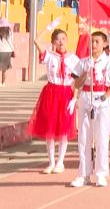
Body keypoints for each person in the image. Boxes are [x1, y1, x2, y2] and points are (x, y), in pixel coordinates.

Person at [70, 31, 110, 187]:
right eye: (91, 41)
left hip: (102, 101)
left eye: (97, 41)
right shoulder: (83, 62)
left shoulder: (109, 62)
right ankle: (83, 174)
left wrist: (104, 97)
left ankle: (100, 173)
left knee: (101, 138)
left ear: (104, 43)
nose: (93, 44)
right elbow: (76, 84)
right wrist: (85, 72)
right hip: (86, 99)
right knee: (84, 138)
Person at [28, 22, 78, 174]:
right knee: (49, 130)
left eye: (63, 38)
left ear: (67, 40)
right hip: (51, 93)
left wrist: (75, 98)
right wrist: (49, 27)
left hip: (66, 94)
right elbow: (36, 41)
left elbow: (76, 80)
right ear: (53, 42)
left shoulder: (73, 59)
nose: (61, 41)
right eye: (57, 39)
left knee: (63, 130)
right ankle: (50, 162)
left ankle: (60, 162)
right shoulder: (49, 56)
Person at [0, 19, 13, 86]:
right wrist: (13, 49)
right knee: (4, 69)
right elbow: (10, 41)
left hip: (0, 50)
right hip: (7, 51)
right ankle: (3, 83)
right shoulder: (9, 31)